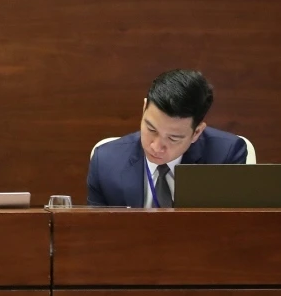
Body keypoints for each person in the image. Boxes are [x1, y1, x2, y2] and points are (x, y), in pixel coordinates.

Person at [87, 69, 247, 208]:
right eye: (151, 129)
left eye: (173, 138)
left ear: (197, 132)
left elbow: (231, 228)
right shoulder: (106, 162)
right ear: (144, 108)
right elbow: (96, 229)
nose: (156, 147)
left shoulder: (225, 157)